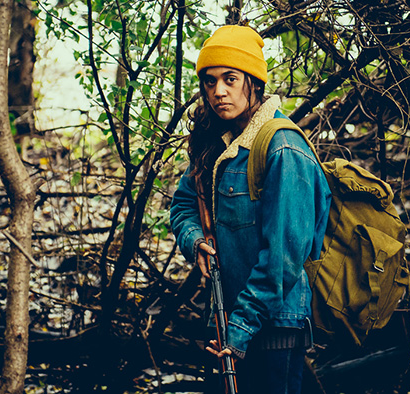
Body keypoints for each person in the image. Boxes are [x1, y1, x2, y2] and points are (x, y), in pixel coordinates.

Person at [169, 25, 332, 394]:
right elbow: (182, 204)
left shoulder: (283, 150)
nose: (218, 92)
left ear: (254, 82)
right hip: (229, 325)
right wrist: (196, 240)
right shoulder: (220, 146)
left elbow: (283, 260)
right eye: (210, 82)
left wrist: (239, 331)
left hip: (271, 330)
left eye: (230, 79)